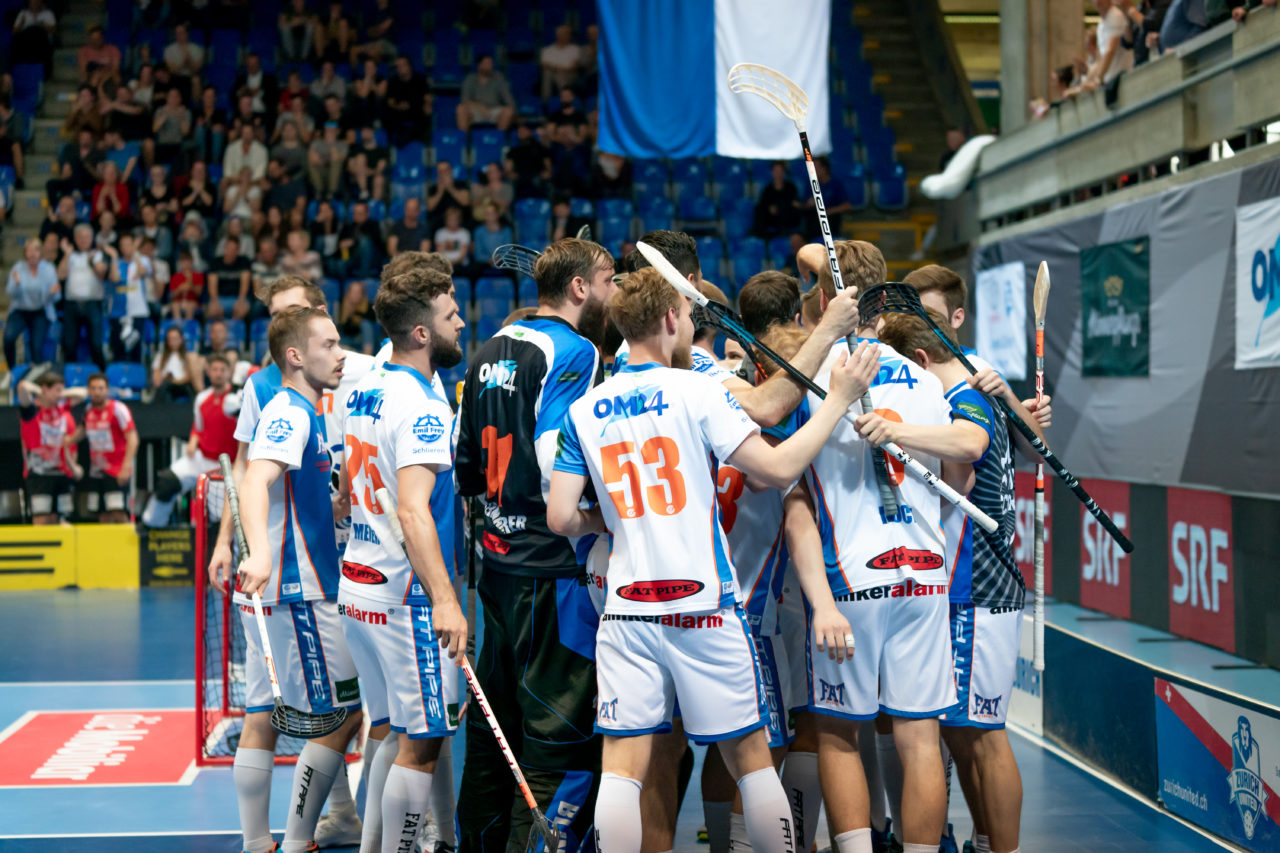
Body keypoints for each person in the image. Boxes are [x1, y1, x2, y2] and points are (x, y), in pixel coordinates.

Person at [545, 267, 878, 853]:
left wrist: (612, 521)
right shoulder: (700, 389)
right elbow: (776, 470)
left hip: (627, 609)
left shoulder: (584, 410)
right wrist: (839, 404)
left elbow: (562, 517)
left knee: (623, 766)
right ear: (672, 319)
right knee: (751, 759)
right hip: (703, 604)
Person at [785, 240, 966, 853]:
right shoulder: (921, 376)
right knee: (920, 737)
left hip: (853, 578)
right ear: (883, 305)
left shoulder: (808, 374)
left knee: (838, 733)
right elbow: (958, 475)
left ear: (823, 299)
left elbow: (790, 497)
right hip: (924, 574)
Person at [454, 238, 616, 853]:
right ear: (579, 288)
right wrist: (593, 514)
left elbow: (464, 463)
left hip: (498, 566)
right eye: (606, 280)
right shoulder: (577, 350)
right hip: (553, 571)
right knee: (561, 740)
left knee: (497, 739)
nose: (611, 292)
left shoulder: (488, 347)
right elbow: (555, 452)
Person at [208, 275, 379, 851]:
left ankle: (262, 842)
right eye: (328, 344)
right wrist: (253, 549)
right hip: (299, 588)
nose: (339, 353)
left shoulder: (302, 401)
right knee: (343, 715)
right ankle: (303, 835)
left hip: (286, 587)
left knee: (283, 712)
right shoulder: (288, 408)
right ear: (294, 352)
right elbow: (254, 476)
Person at [874, 311, 1037, 853]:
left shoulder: (962, 399)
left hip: (977, 583)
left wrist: (890, 429)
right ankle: (985, 842)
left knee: (985, 737)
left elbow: (968, 445)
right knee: (968, 735)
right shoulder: (967, 395)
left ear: (920, 361)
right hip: (980, 586)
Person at [338, 266, 467, 853]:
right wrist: (446, 599)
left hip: (358, 583)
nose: (461, 322)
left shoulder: (365, 386)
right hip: (403, 596)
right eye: (449, 315)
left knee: (394, 730)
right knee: (423, 743)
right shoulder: (420, 405)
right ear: (421, 332)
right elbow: (414, 512)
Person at [141, 354, 239, 528]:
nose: (218, 374)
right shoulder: (201, 398)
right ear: (208, 372)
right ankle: (152, 525)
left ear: (229, 372)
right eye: (214, 369)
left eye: (222, 370)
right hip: (200, 458)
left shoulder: (238, 400)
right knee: (167, 482)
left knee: (219, 518)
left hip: (225, 466)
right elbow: (198, 427)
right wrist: (193, 440)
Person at [17, 371, 85, 525]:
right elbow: (22, 387)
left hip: (62, 473)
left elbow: (82, 393)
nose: (60, 394)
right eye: (57, 389)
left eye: (62, 389)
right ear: (44, 389)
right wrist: (42, 392)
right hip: (38, 474)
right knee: (42, 519)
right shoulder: (31, 411)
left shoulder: (61, 410)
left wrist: (59, 393)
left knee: (61, 520)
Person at [75, 373, 138, 523]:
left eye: (101, 388)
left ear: (107, 390)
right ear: (88, 391)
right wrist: (66, 440)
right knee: (101, 514)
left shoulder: (118, 409)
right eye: (93, 388)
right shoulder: (88, 410)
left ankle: (124, 545)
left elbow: (133, 439)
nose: (97, 392)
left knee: (118, 512)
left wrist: (126, 467)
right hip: (96, 471)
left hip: (117, 471)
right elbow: (80, 431)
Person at [58, 223, 116, 370]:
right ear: (75, 239)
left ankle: (101, 377)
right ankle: (71, 377)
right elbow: (61, 275)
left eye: (87, 237)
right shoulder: (70, 255)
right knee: (69, 345)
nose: (84, 240)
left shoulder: (98, 255)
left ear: (92, 238)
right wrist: (66, 254)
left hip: (93, 304)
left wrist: (91, 262)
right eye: (81, 237)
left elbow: (102, 274)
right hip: (71, 305)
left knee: (96, 344)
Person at [5, 237, 59, 369]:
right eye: (29, 250)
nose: (32, 253)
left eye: (35, 250)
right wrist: (17, 284)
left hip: (41, 311)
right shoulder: (18, 267)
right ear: (25, 253)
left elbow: (56, 296)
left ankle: (36, 374)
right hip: (20, 311)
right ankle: (12, 371)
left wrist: (52, 293)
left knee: (36, 346)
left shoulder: (48, 269)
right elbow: (10, 293)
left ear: (40, 252)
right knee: (8, 338)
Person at [458, 55, 515, 132]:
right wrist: (481, 108)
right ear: (479, 65)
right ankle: (463, 140)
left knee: (508, 111)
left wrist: (513, 110)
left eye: (491, 63)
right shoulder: (470, 79)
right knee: (461, 108)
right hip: (476, 110)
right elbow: (465, 100)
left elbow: (508, 99)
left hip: (494, 110)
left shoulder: (499, 78)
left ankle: (499, 139)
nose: (490, 66)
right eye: (487, 63)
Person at [152, 324, 203, 403]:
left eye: (175, 338)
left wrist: (174, 381)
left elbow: (188, 376)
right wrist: (165, 378)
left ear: (181, 339)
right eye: (170, 339)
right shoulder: (160, 357)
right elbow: (156, 379)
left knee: (189, 389)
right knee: (163, 389)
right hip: (166, 385)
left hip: (184, 384)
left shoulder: (188, 356)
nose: (173, 342)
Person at [540, 24, 581, 99]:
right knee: (548, 73)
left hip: (570, 76)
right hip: (552, 75)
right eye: (562, 34)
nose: (564, 36)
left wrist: (556, 68)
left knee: (558, 75)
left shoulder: (575, 49)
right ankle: (546, 101)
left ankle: (563, 100)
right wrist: (558, 69)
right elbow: (544, 65)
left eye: (567, 34)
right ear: (557, 35)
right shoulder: (547, 50)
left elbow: (573, 67)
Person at [337, 278, 376, 354]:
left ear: (362, 294)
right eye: (353, 292)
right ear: (348, 293)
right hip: (346, 343)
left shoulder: (369, 308)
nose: (355, 294)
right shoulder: (342, 307)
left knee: (366, 324)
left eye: (358, 292)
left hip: (361, 344)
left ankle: (366, 356)